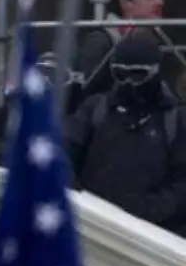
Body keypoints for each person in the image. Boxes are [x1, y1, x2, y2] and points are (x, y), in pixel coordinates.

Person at [63, 31, 186, 236]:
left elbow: (182, 183)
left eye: (137, 75)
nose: (128, 83)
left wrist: (147, 210)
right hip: (94, 223)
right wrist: (76, 191)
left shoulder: (175, 119)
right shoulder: (96, 109)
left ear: (156, 71)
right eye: (120, 75)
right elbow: (64, 146)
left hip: (151, 233)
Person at [75, 0, 186, 98]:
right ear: (126, 2)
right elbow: (93, 96)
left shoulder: (162, 42)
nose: (160, 2)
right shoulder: (100, 41)